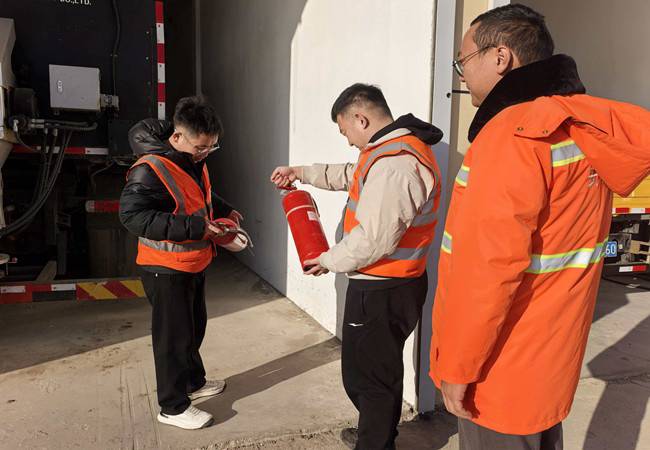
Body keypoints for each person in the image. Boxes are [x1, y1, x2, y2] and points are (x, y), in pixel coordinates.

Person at [429, 4, 650, 449]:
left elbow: (488, 270)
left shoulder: (513, 135)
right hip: (549, 365)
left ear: (500, 57)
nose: (461, 74)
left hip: (500, 371)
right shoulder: (582, 128)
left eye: (462, 60)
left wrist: (458, 367)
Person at [271, 83, 443, 449]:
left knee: (368, 378)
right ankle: (376, 433)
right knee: (376, 371)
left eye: (344, 130)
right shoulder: (386, 152)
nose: (347, 140)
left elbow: (374, 240)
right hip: (390, 284)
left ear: (360, 119)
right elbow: (351, 174)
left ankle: (374, 442)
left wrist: (326, 260)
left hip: (383, 288)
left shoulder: (396, 164)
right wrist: (301, 172)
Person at [119, 96, 242, 430]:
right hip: (165, 267)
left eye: (212, 147)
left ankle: (193, 382)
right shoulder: (149, 170)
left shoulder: (193, 160)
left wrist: (225, 210)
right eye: (201, 147)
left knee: (193, 328)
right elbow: (132, 216)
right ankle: (172, 407)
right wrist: (197, 228)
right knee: (172, 340)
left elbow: (199, 196)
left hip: (192, 263)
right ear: (177, 137)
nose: (206, 153)